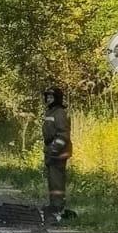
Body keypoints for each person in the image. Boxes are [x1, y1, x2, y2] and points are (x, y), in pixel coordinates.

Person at [43, 86, 72, 222]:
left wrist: (55, 149)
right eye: (47, 96)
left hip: (58, 153)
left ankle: (58, 207)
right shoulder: (50, 112)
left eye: (51, 97)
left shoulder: (59, 113)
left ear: (57, 99)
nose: (48, 99)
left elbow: (63, 134)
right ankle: (53, 205)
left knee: (57, 182)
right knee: (52, 181)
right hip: (51, 150)